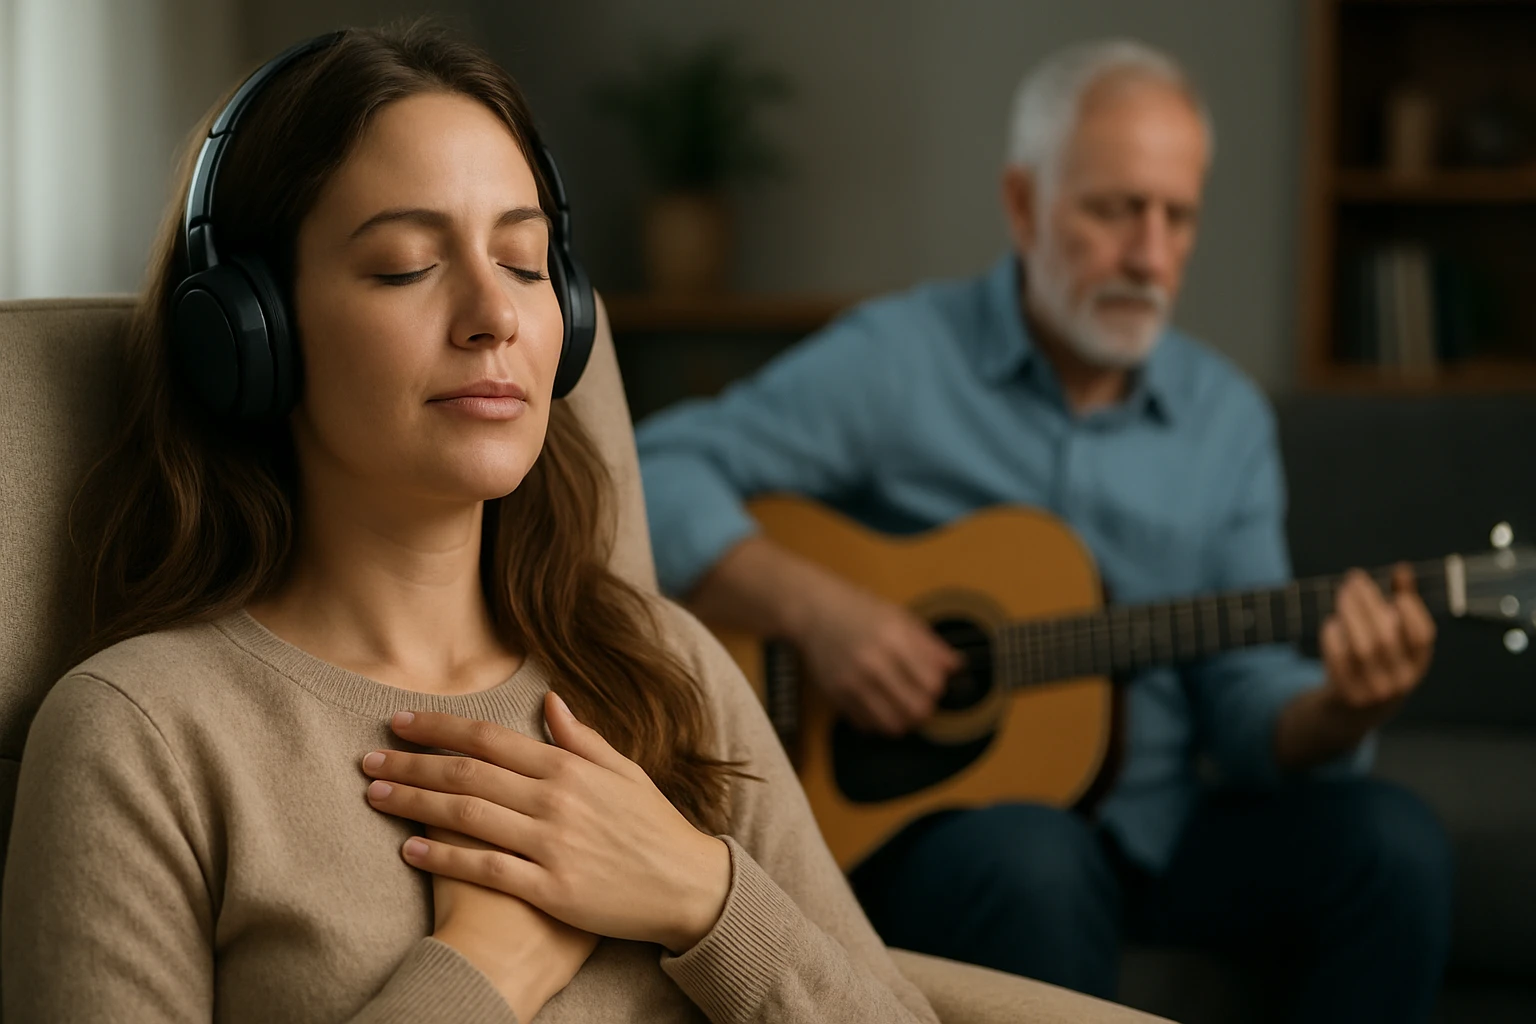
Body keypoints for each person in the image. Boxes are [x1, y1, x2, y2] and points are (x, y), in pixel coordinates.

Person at [0, 25, 950, 1024]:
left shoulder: (665, 664)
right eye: (407, 265)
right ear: (249, 332)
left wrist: (703, 896)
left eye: (525, 261)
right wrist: (484, 970)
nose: (492, 315)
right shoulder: (141, 733)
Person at [636, 39, 1454, 1024]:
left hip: (1165, 827)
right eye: (1114, 210)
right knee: (1034, 859)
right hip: (949, 830)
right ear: (1024, 205)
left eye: (1177, 216)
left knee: (1394, 843)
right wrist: (816, 609)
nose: (1150, 255)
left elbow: (1245, 703)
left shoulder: (1225, 419)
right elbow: (654, 463)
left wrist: (1341, 709)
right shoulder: (898, 359)